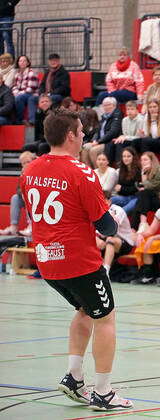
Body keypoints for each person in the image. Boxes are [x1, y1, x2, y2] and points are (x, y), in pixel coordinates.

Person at [20, 109, 132, 410]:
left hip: (47, 260)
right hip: (79, 260)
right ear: (70, 135)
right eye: (81, 131)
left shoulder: (30, 170)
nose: (84, 135)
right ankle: (104, 391)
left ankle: (74, 375)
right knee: (105, 316)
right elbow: (106, 226)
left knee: (85, 309)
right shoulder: (81, 172)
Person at [96, 195, 135, 277]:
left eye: (102, 201)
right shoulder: (97, 211)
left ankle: (106, 272)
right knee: (89, 240)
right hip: (106, 239)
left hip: (125, 242)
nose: (100, 203)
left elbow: (112, 230)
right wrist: (96, 238)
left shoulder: (118, 210)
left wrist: (99, 237)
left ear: (109, 201)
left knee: (111, 240)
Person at [0, 150, 34, 236]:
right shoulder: (23, 172)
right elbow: (18, 189)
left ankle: (32, 226)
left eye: (28, 162)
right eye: (24, 163)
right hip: (26, 196)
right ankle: (13, 227)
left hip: (36, 198)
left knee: (28, 197)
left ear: (33, 161)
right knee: (15, 198)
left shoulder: (37, 170)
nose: (26, 164)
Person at [83, 97, 123, 167]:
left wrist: (99, 141)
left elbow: (113, 132)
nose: (105, 107)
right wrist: (94, 140)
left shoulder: (117, 115)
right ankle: (89, 170)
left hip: (109, 142)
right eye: (104, 105)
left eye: (108, 105)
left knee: (93, 150)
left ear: (114, 105)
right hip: (100, 141)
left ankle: (98, 172)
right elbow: (98, 131)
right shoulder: (104, 116)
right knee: (84, 148)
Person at [111, 147, 141, 214]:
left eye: (128, 156)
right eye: (124, 156)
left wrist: (122, 188)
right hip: (124, 197)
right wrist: (123, 189)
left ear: (133, 157)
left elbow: (136, 189)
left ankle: (115, 219)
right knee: (110, 200)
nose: (126, 158)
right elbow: (120, 189)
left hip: (135, 198)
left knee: (122, 211)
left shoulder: (138, 170)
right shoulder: (121, 169)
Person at [12, 55, 39, 125]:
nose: (22, 62)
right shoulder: (17, 74)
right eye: (20, 61)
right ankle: (12, 120)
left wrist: (18, 94)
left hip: (32, 94)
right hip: (22, 94)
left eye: (24, 61)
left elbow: (30, 89)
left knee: (19, 98)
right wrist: (16, 93)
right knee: (12, 98)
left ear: (28, 63)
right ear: (18, 63)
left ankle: (19, 120)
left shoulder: (31, 73)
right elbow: (14, 87)